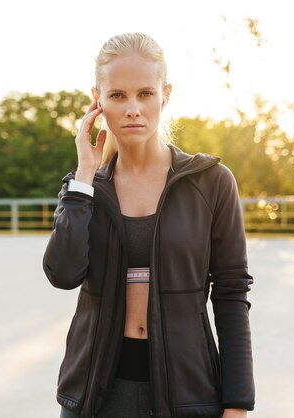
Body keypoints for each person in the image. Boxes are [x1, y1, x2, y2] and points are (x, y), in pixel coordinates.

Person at [43, 32, 255, 418]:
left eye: (145, 93)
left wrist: (238, 403)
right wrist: (85, 174)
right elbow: (63, 274)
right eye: (118, 96)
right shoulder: (85, 187)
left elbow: (231, 291)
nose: (133, 109)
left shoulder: (210, 181)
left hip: (187, 395)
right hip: (94, 397)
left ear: (166, 94)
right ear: (98, 100)